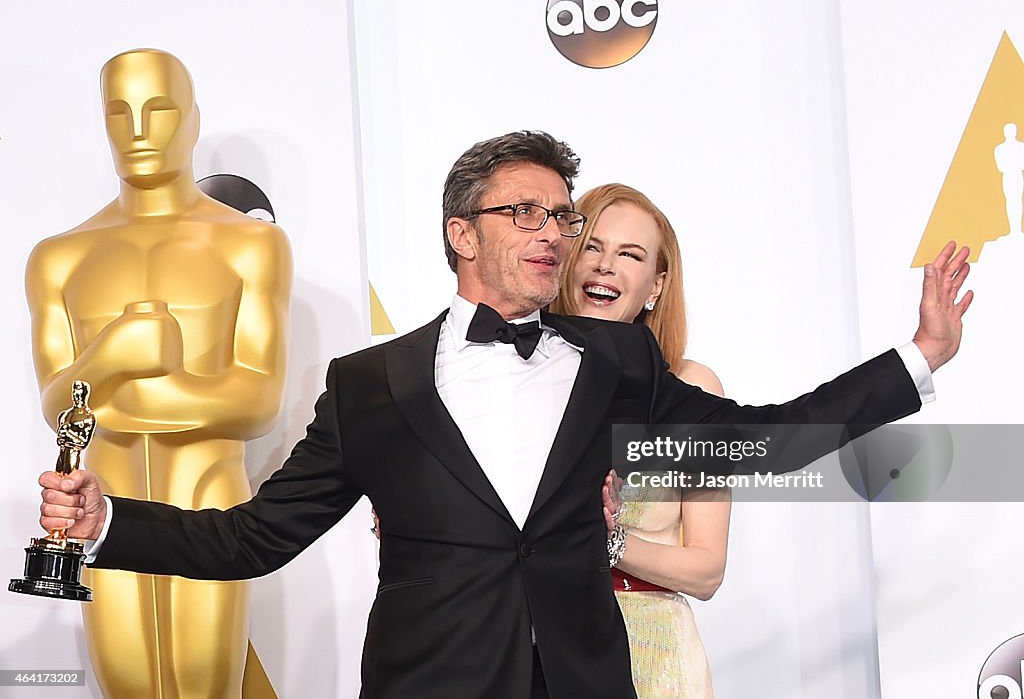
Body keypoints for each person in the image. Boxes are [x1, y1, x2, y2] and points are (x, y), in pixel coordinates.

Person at [37, 131, 971, 698]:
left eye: (559, 216)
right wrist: (109, 519)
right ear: (462, 231)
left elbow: (761, 441)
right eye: (525, 212)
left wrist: (917, 358)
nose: (551, 234)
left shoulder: (614, 358)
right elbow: (253, 536)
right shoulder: (369, 383)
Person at [25, 49, 291, 698]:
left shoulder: (248, 244)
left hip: (210, 493)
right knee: (127, 681)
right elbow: (59, 407)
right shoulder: (59, 258)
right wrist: (116, 349)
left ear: (194, 119)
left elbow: (259, 396)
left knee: (205, 678)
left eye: (160, 109)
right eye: (119, 113)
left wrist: (124, 392)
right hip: (103, 501)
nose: (138, 130)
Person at [549, 183, 726, 697]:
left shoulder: (692, 388)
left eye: (630, 254)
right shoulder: (515, 380)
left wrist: (608, 543)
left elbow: (707, 568)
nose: (606, 266)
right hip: (537, 643)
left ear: (655, 285)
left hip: (653, 655)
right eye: (592, 247)